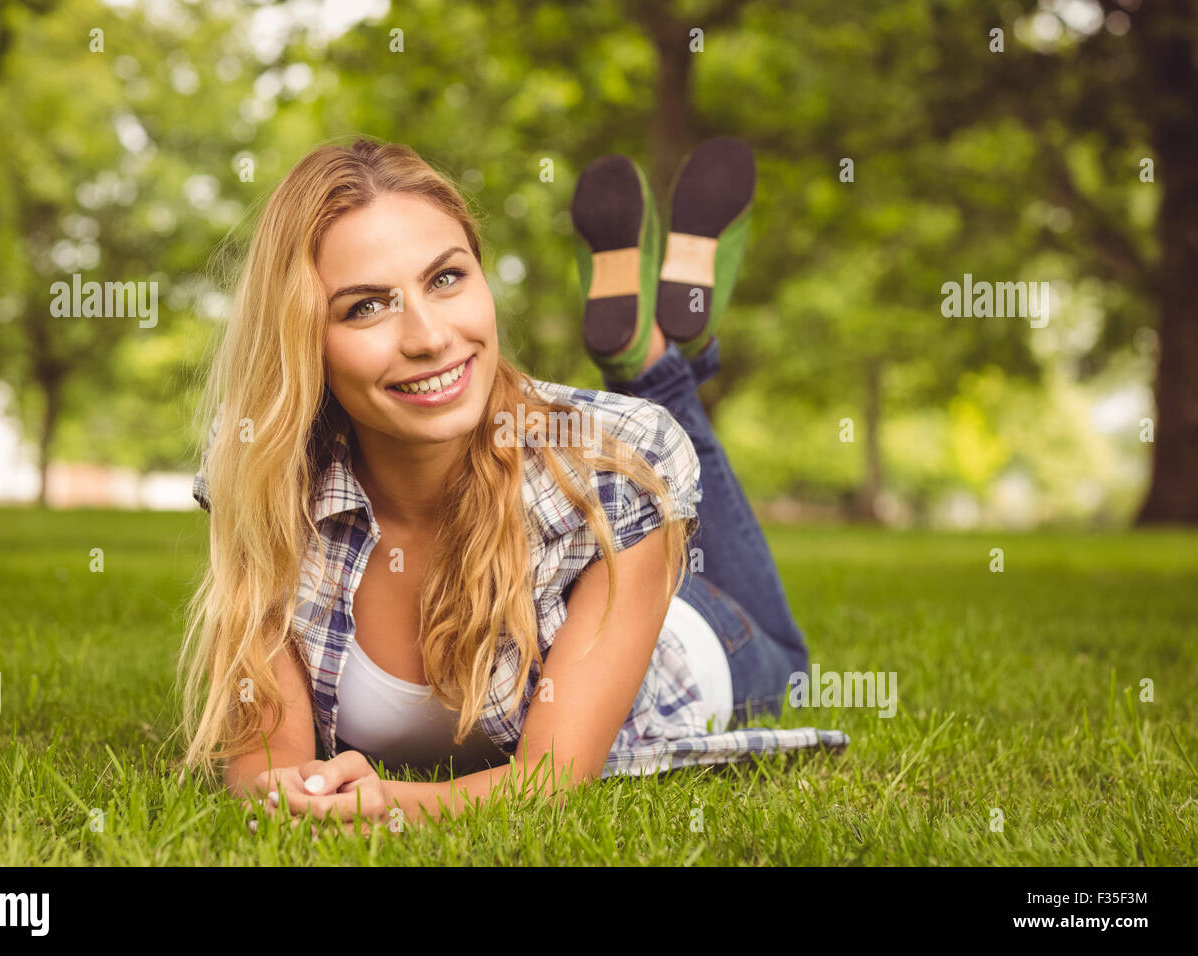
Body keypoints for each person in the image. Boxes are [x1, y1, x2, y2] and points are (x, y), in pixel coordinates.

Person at [177, 136, 847, 835]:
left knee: (782, 646)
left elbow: (550, 779)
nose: (429, 337)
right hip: (604, 550)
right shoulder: (261, 471)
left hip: (704, 637)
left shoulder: (613, 466)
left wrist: (388, 802)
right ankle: (651, 346)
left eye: (445, 279)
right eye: (366, 307)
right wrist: (295, 794)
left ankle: (655, 362)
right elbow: (264, 757)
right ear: (302, 339)